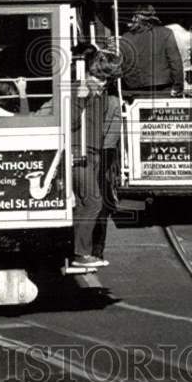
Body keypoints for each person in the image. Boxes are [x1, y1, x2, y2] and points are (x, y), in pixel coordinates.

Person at [71, 48, 122, 269]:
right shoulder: (78, 90)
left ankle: (80, 251)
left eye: (106, 80)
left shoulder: (101, 95)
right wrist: (81, 100)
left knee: (86, 203)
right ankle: (81, 253)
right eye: (100, 78)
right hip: (78, 152)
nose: (102, 84)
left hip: (92, 151)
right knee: (93, 202)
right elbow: (71, 122)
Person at [120, 5, 183, 95]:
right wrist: (178, 85)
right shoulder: (166, 33)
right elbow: (175, 61)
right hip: (162, 87)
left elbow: (123, 64)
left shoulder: (126, 37)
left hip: (135, 88)